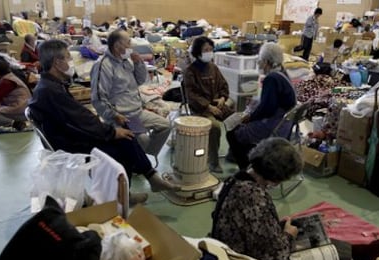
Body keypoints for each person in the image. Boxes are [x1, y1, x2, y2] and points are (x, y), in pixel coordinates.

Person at [211, 137, 379, 260]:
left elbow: (254, 229)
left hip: (234, 245)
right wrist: (287, 236)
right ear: (277, 177)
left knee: (307, 231)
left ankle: (357, 253)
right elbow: (272, 257)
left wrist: (279, 229)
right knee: (312, 250)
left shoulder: (237, 180)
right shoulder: (254, 196)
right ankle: (357, 256)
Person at [28, 39, 180, 205]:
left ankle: (143, 182)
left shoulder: (52, 85)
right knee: (124, 142)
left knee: (126, 134)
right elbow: (83, 117)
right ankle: (133, 188)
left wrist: (138, 65)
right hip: (70, 142)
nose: (71, 61)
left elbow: (78, 115)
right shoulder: (52, 90)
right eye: (68, 57)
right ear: (57, 62)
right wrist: (111, 131)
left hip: (107, 119)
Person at [90, 30, 171, 160]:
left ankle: (143, 157)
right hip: (120, 116)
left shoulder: (126, 60)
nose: (131, 46)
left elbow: (140, 81)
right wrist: (114, 115)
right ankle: (138, 159)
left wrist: (138, 63)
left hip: (136, 112)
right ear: (117, 46)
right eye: (128, 43)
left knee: (165, 126)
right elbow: (98, 98)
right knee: (142, 140)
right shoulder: (103, 65)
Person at [226, 42, 296, 170]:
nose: (259, 63)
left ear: (266, 61)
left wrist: (250, 117)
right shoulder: (282, 72)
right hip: (285, 125)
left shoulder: (272, 79)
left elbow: (267, 109)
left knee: (233, 133)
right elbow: (272, 102)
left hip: (274, 126)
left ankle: (247, 167)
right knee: (241, 124)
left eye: (260, 60)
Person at [183, 36, 233, 173]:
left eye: (211, 49)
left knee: (237, 121)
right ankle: (213, 162)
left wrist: (223, 98)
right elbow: (191, 95)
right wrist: (208, 107)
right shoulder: (190, 71)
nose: (209, 52)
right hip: (200, 109)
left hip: (217, 105)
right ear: (198, 52)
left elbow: (223, 85)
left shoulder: (213, 67)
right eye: (206, 50)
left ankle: (233, 153)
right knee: (215, 127)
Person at [0, 60, 31, 130]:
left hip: (21, 111)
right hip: (24, 108)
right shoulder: (10, 78)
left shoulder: (6, 82)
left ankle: (14, 123)